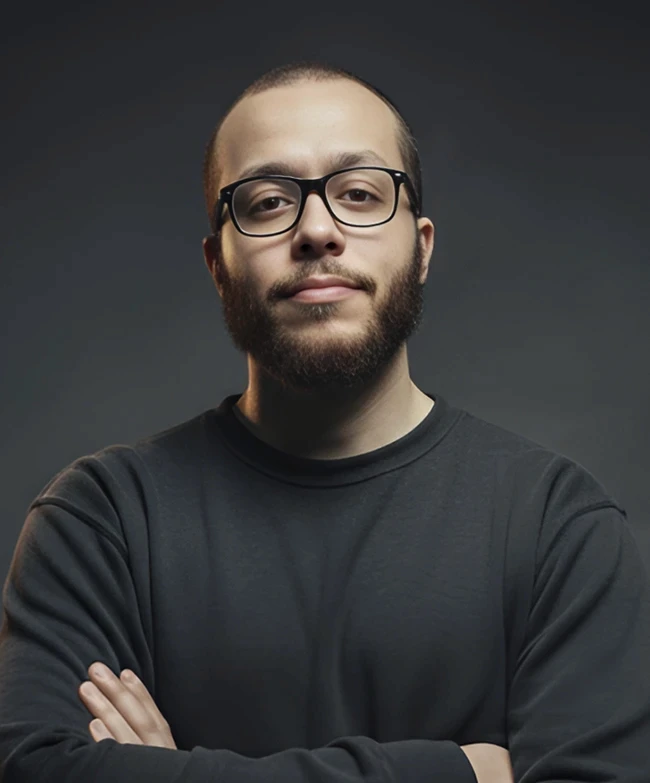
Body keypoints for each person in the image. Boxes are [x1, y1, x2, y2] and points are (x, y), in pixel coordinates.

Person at [0, 61, 648, 783]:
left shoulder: (561, 529)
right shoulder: (101, 521)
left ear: (422, 247)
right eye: (269, 202)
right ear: (218, 265)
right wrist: (454, 772)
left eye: (360, 193)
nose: (317, 229)